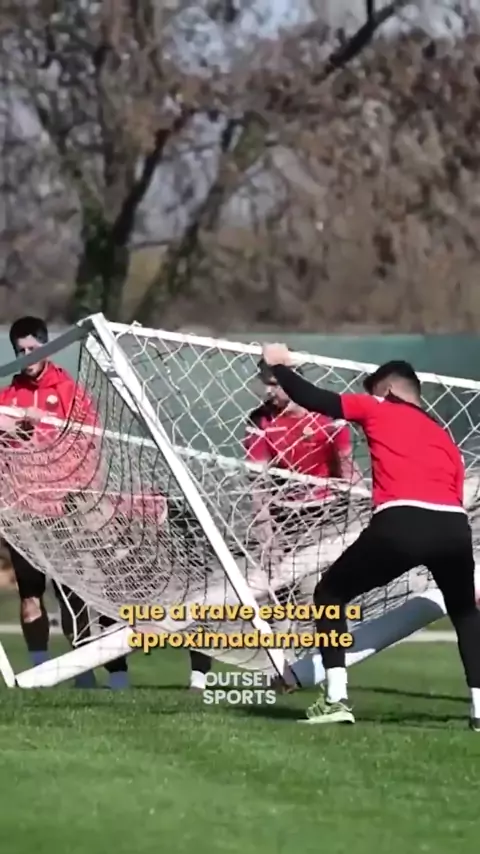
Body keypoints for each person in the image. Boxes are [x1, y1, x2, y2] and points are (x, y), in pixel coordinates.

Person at [262, 344, 480, 731]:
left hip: (402, 521)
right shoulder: (444, 438)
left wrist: (278, 367)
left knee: (330, 594)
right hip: (454, 528)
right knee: (465, 614)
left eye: (374, 389)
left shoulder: (379, 407)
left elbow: (315, 399)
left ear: (389, 390)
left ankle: (336, 700)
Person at [187, 358, 360, 692]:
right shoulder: (260, 422)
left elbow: (346, 469)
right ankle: (282, 670)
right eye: (264, 383)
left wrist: (356, 512)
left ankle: (319, 672)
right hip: (285, 518)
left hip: (326, 515)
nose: (268, 391)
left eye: (274, 383)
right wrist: (267, 535)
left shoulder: (328, 415)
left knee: (314, 594)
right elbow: (258, 485)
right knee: (278, 601)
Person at [0, 316, 130, 689]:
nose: (27, 356)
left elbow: (87, 444)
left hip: (65, 512)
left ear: (47, 347)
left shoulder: (69, 391)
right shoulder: (8, 396)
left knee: (76, 596)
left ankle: (98, 674)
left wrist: (43, 429)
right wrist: (14, 426)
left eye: (33, 348)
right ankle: (40, 674)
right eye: (20, 351)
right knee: (30, 595)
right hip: (23, 514)